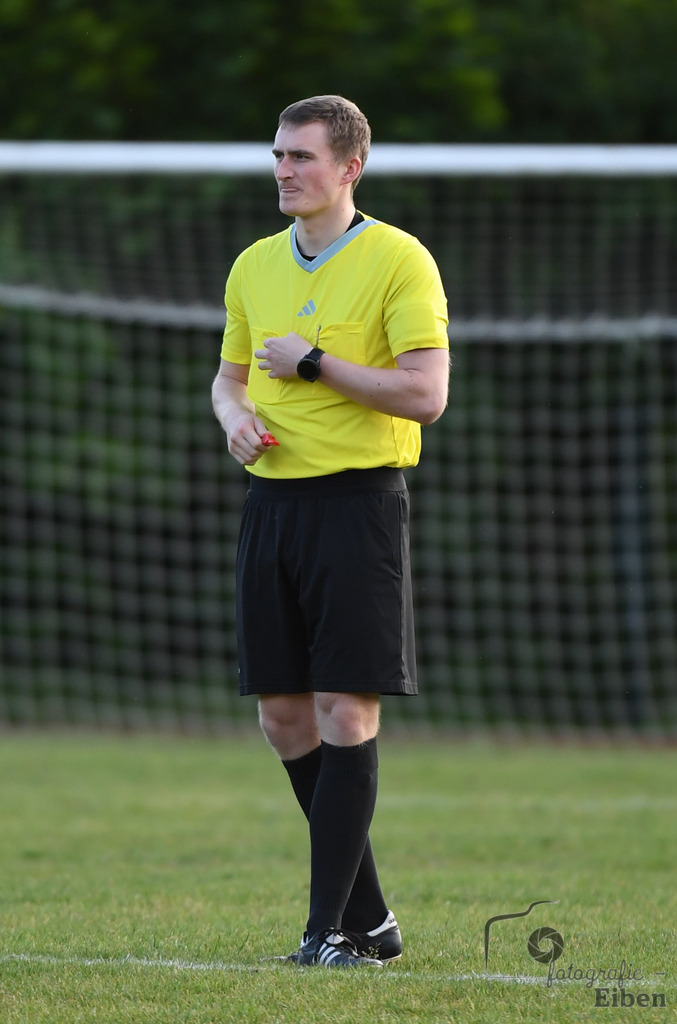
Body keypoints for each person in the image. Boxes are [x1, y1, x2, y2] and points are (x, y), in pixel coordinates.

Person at [212, 95, 449, 969]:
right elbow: (226, 379)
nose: (283, 170)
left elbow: (426, 396)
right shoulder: (252, 265)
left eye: (301, 157)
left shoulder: (398, 260)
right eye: (277, 155)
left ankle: (329, 933)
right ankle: (371, 919)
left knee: (345, 709)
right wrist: (232, 417)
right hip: (271, 506)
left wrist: (314, 365)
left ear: (348, 168)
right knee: (283, 718)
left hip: (357, 504)